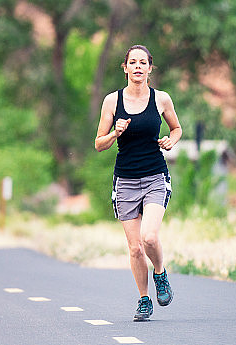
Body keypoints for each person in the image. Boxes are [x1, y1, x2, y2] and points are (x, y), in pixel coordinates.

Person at [94, 44, 182, 322]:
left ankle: (160, 273)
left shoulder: (161, 99)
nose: (138, 67)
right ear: (125, 67)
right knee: (134, 248)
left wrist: (171, 140)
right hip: (126, 181)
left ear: (150, 68)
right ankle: (144, 299)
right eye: (133, 62)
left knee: (150, 237)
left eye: (143, 63)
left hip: (155, 175)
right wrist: (115, 133)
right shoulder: (112, 101)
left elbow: (177, 128)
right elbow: (99, 144)